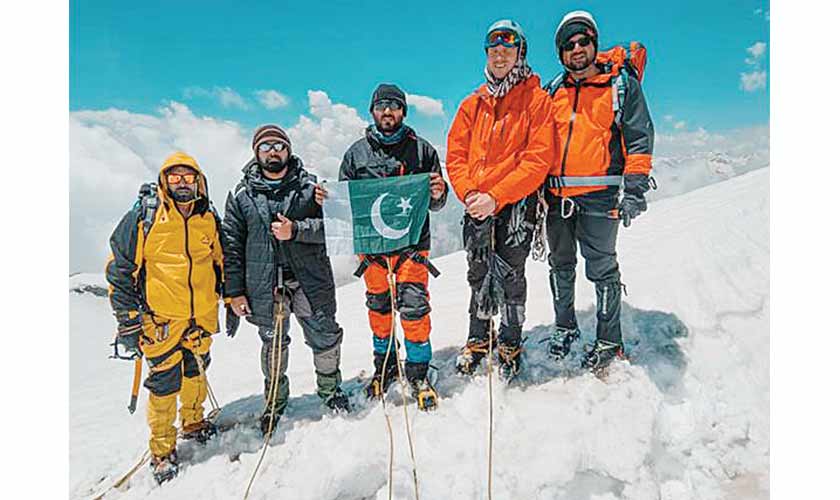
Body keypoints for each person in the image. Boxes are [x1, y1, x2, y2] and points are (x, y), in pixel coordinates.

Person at [543, 10, 655, 371]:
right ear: (561, 53)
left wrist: (635, 189)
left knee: (602, 268)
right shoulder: (552, 92)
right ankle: (565, 326)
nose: (576, 49)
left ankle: (610, 339)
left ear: (594, 43)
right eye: (568, 44)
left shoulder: (620, 86)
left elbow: (639, 138)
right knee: (560, 265)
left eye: (582, 41)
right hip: (557, 198)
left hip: (601, 195)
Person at [222, 125, 348, 436]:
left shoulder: (312, 189)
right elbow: (232, 247)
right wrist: (235, 292)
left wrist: (297, 230)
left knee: (324, 335)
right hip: (265, 285)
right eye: (266, 147)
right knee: (273, 344)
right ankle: (275, 402)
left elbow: (335, 228)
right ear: (256, 153)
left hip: (309, 279)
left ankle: (330, 391)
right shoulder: (241, 197)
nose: (273, 152)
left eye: (279, 145)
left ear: (288, 150)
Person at [446, 19, 555, 380]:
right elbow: (456, 155)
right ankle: (478, 338)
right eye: (494, 49)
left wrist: (497, 196)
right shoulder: (471, 104)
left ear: (520, 53)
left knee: (511, 277)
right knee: (478, 273)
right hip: (477, 206)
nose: (500, 55)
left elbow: (537, 160)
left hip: (515, 206)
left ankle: (510, 339)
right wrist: (470, 193)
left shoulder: (536, 101)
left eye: (508, 49)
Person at [106, 152, 223, 484]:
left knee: (196, 370)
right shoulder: (145, 216)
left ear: (199, 181)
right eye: (175, 177)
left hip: (200, 315)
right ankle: (162, 450)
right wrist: (128, 319)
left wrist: (228, 298)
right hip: (160, 321)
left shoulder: (208, 216)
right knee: (163, 383)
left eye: (189, 177)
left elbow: (220, 261)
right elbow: (119, 269)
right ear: (164, 182)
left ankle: (194, 421)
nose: (183, 183)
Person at [338, 83, 448, 410]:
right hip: (372, 250)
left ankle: (417, 371)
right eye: (382, 105)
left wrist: (440, 192)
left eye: (394, 105)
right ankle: (384, 366)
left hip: (412, 246)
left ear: (403, 111)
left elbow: (437, 203)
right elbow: (345, 202)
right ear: (372, 110)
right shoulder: (355, 154)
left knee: (415, 310)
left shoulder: (422, 150)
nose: (388, 111)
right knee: (379, 309)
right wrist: (326, 198)